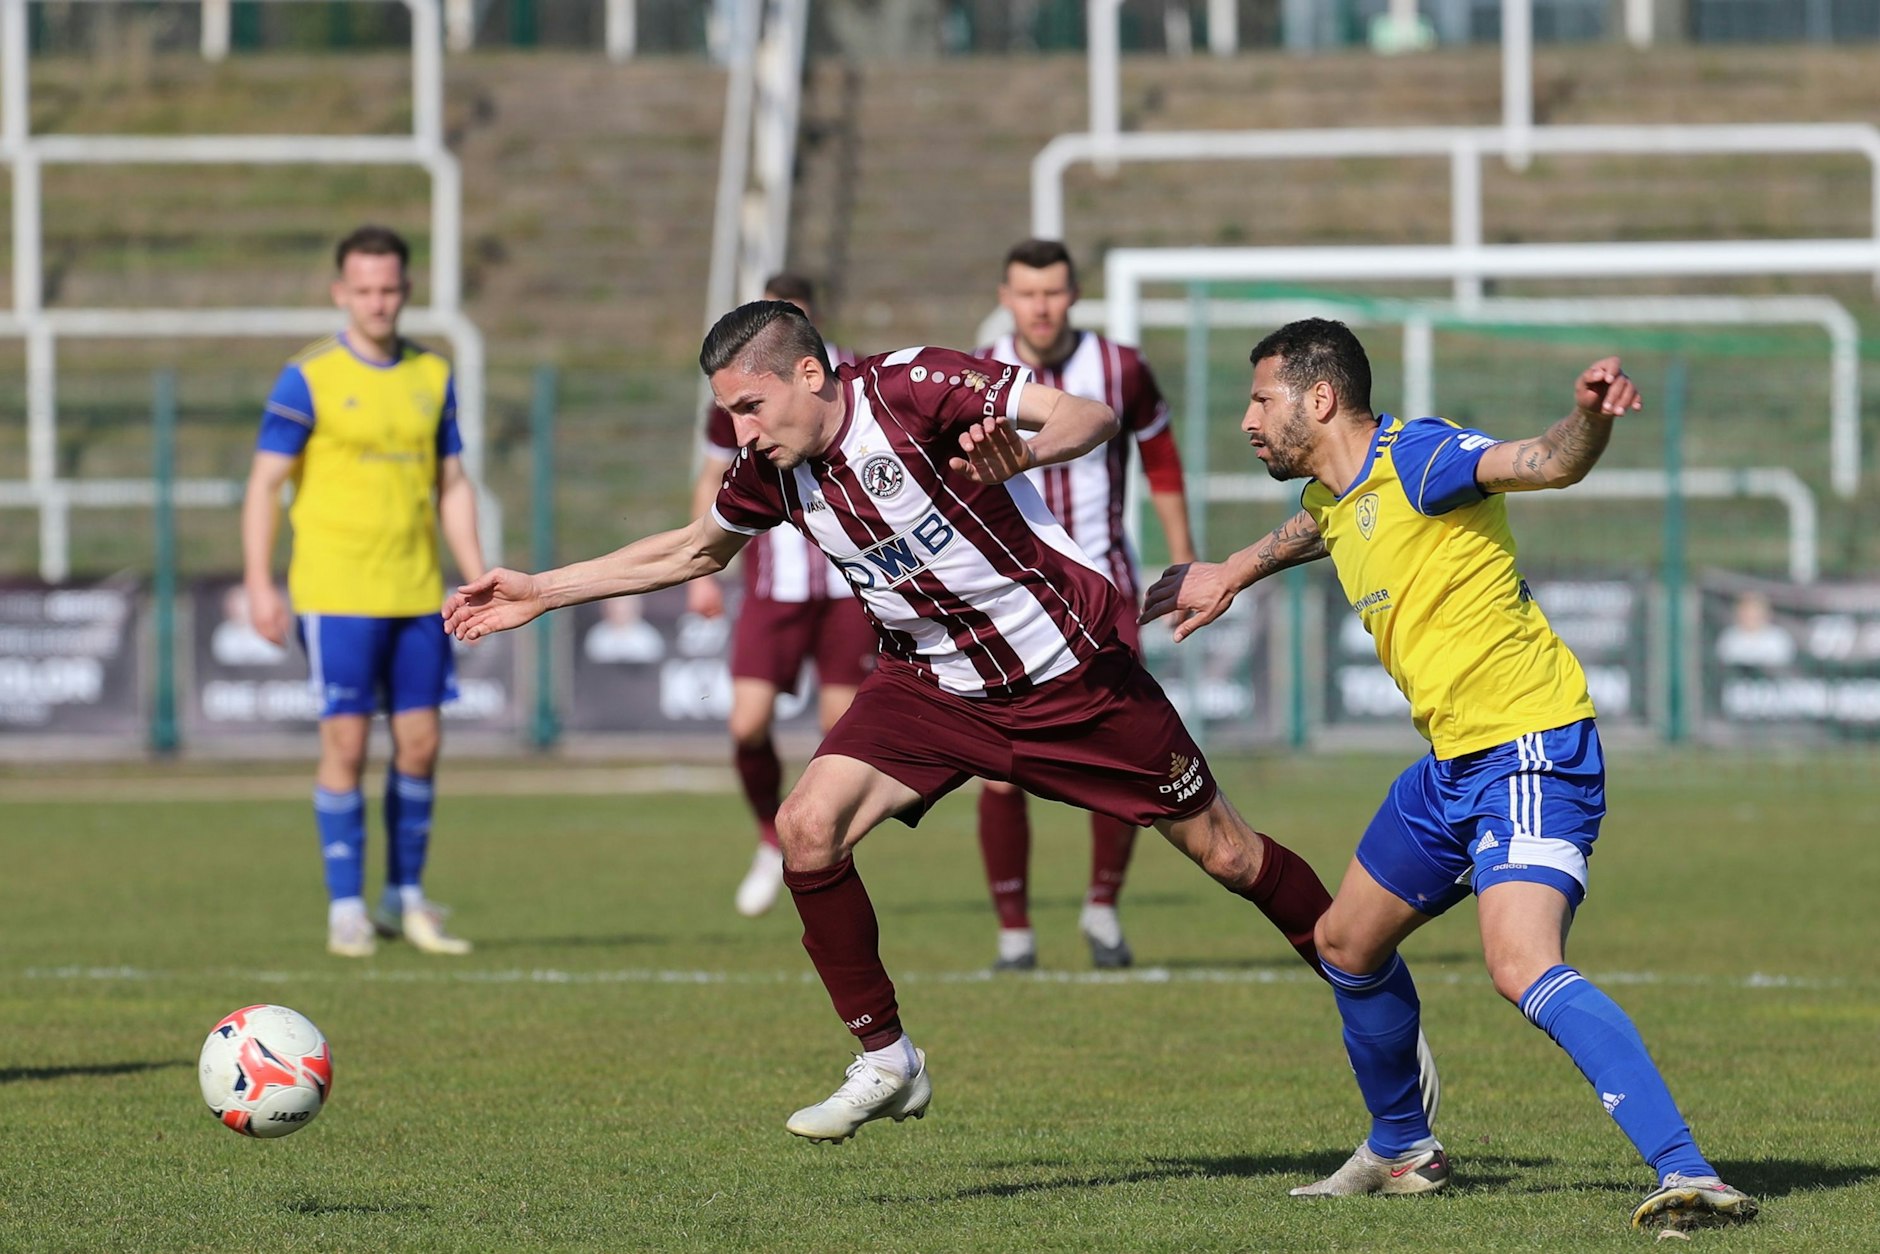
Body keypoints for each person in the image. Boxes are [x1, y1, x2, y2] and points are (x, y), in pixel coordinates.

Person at [445, 300, 1389, 1144]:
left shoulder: (912, 387)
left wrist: (1028, 452)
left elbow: (1089, 415)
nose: (741, 430)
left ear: (809, 374)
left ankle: (1376, 1002)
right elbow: (696, 549)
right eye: (729, 413)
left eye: (751, 406)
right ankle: (887, 1058)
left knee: (1230, 856)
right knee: (806, 828)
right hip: (931, 688)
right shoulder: (773, 469)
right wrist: (541, 589)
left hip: (1069, 674)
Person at [1140, 319, 1757, 1232]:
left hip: (1530, 747)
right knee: (1345, 945)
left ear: (1320, 399)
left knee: (1521, 965)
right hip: (1451, 767)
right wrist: (1234, 568)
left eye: (1262, 399)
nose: (1247, 420)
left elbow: (1546, 461)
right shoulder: (1337, 492)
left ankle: (1691, 1173)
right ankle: (1401, 1149)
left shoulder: (1423, 457)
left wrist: (1588, 419)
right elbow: (1322, 524)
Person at [241, 224, 484, 959]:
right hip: (335, 594)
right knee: (345, 746)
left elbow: (452, 484)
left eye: (389, 289)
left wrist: (477, 573)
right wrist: (259, 581)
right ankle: (345, 907)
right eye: (364, 290)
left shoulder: (433, 374)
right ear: (341, 293)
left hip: (417, 592)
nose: (378, 302)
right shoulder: (307, 377)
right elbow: (264, 486)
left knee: (422, 744)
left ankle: (404, 897)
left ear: (406, 290)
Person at [973, 239, 1197, 972]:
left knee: (1124, 749)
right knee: (997, 762)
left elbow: (1162, 462)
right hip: (1005, 589)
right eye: (1027, 293)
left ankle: (1102, 908)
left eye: (1053, 292)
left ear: (1073, 296)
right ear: (1006, 298)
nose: (1041, 307)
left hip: (1102, 585)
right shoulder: (976, 369)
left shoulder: (1120, 368)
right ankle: (1013, 934)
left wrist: (1183, 555)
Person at [687, 274, 875, 919]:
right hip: (775, 587)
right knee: (746, 724)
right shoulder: (739, 396)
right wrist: (703, 574)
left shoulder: (850, 379)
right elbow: (714, 477)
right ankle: (773, 837)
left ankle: (817, 844)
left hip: (850, 588)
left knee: (840, 733)